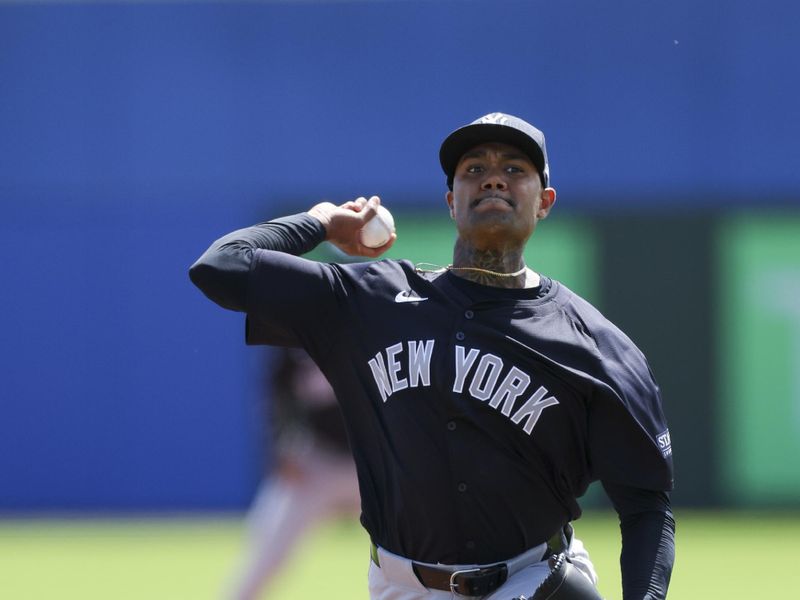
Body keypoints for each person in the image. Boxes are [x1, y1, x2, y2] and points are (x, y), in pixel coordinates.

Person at [190, 112, 675, 600]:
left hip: (532, 582)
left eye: (514, 169)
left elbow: (645, 504)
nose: (492, 176)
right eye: (473, 169)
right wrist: (319, 222)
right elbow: (220, 267)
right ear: (451, 202)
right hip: (399, 586)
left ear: (544, 201)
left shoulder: (593, 345)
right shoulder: (370, 301)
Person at [223, 347, 360, 600]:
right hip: (315, 463)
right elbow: (277, 390)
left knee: (414, 556)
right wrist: (279, 445)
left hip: (373, 465)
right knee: (264, 559)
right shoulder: (297, 331)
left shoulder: (376, 325)